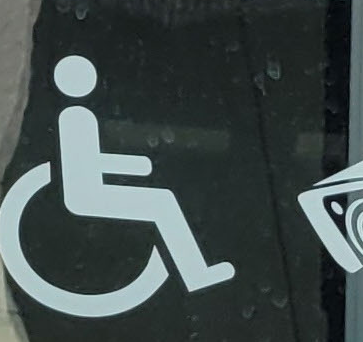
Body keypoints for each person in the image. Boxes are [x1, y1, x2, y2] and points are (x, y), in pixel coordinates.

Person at [52, 55, 234, 290]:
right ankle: (196, 273)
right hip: (89, 194)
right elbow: (87, 164)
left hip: (92, 187)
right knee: (162, 203)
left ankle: (196, 270)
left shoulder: (76, 114)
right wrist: (136, 165)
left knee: (162, 201)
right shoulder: (77, 117)